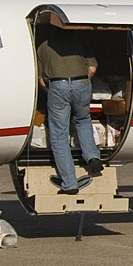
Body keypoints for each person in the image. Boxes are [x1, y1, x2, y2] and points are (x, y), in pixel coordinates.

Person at [35, 13, 102, 194]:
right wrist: (81, 82)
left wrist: (54, 90)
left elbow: (41, 80)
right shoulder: (81, 43)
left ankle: (70, 184)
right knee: (83, 119)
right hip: (82, 83)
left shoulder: (43, 47)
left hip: (57, 85)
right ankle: (92, 156)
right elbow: (92, 68)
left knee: (58, 134)